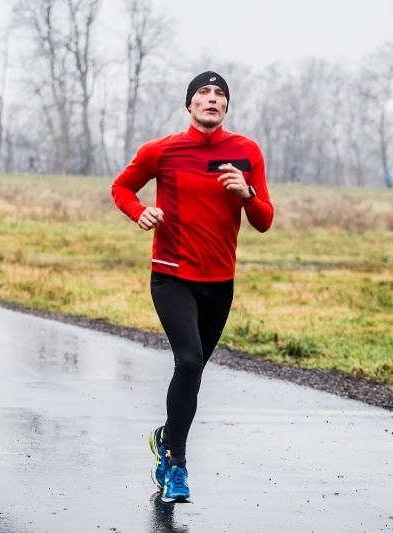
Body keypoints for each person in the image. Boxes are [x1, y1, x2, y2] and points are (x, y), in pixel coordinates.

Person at [111, 71, 274, 503]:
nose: (212, 99)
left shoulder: (246, 152)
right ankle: (176, 464)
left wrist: (247, 193)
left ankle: (167, 433)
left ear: (226, 107)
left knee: (194, 371)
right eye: (203, 92)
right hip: (171, 275)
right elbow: (121, 187)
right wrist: (139, 212)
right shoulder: (162, 151)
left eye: (220, 94)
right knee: (188, 360)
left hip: (220, 281)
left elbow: (264, 220)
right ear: (190, 104)